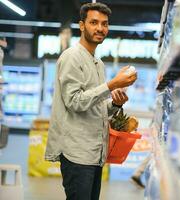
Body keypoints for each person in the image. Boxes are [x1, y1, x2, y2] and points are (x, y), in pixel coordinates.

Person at [45, 2, 137, 200]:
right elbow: (75, 102)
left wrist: (115, 104)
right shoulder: (71, 57)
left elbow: (94, 107)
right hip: (77, 154)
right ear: (81, 25)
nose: (100, 28)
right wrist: (111, 85)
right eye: (94, 22)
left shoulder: (98, 63)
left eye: (104, 24)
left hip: (95, 154)